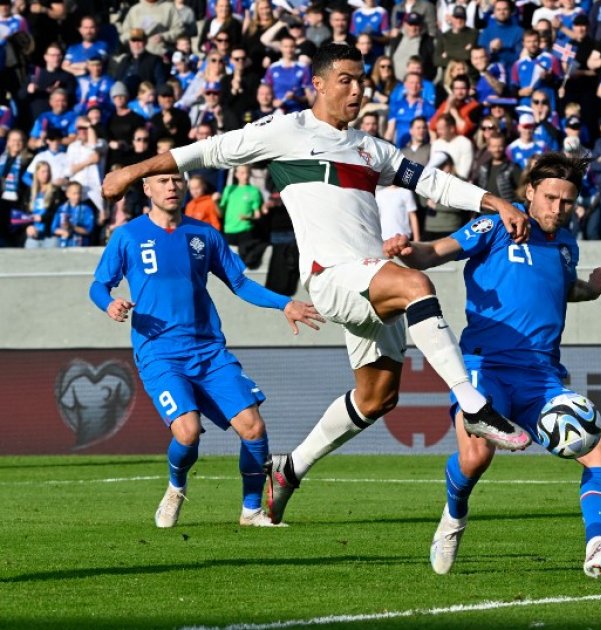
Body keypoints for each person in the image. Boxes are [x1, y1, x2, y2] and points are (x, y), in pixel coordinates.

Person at [100, 42, 534, 525]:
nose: (356, 88)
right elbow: (210, 150)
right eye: (345, 79)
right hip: (333, 277)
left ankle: (289, 468)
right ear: (319, 85)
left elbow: (432, 182)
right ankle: (474, 405)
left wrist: (494, 203)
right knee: (417, 285)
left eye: (361, 79)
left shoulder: (372, 147)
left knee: (377, 399)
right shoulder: (287, 129)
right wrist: (133, 170)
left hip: (372, 278)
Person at [385, 152, 601, 578]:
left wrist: (592, 289)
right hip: (484, 366)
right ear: (530, 193)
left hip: (542, 376)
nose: (557, 208)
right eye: (549, 198)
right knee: (475, 458)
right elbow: (434, 252)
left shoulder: (566, 244)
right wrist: (406, 250)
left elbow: (562, 290)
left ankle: (597, 546)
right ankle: (453, 519)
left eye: (566, 202)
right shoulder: (495, 226)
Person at [89, 170, 323, 528]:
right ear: (147, 189)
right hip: (159, 352)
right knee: (187, 432)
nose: (171, 186)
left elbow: (240, 282)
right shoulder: (128, 235)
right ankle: (175, 489)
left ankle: (251, 511)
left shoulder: (204, 234)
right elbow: (98, 285)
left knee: (254, 428)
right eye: (163, 181)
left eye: (176, 180)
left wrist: (284, 304)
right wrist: (108, 304)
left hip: (208, 350)